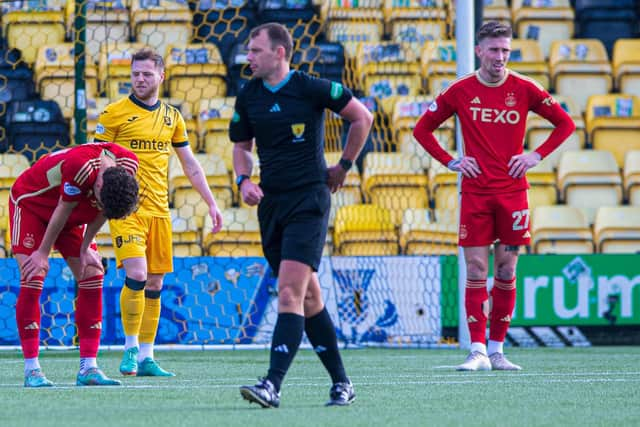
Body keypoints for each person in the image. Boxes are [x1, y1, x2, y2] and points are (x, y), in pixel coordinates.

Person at [413, 21, 576, 371]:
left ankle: (498, 349)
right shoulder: (460, 90)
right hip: (475, 193)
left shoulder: (525, 88)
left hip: (513, 193)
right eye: (494, 49)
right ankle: (477, 351)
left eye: (505, 50)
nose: (500, 56)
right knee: (475, 267)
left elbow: (566, 124)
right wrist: (450, 161)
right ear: (479, 51)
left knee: (506, 269)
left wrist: (536, 155)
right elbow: (422, 129)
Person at [230, 23, 373, 408]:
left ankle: (272, 384)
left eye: (256, 50)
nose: (249, 57)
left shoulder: (311, 87)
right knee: (309, 298)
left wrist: (344, 165)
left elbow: (362, 117)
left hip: (309, 200)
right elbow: (241, 146)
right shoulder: (248, 95)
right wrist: (244, 180)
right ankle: (342, 383)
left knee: (290, 292)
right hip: (272, 204)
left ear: (279, 53)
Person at [93, 48, 224, 377]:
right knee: (136, 274)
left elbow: (190, 165)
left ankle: (147, 357)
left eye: (146, 74)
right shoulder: (114, 114)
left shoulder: (173, 117)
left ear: (161, 77)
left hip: (159, 210)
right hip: (126, 209)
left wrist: (211, 202)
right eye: (135, 73)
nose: (139, 79)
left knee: (155, 281)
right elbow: (97, 157)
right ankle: (130, 348)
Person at [10, 142, 140, 387]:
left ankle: (89, 368)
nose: (101, 205)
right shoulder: (82, 166)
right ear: (98, 184)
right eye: (100, 200)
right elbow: (63, 206)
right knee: (34, 272)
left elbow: (104, 210)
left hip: (71, 214)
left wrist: (85, 248)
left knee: (92, 272)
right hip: (32, 206)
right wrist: (42, 252)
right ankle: (32, 370)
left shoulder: (126, 167)